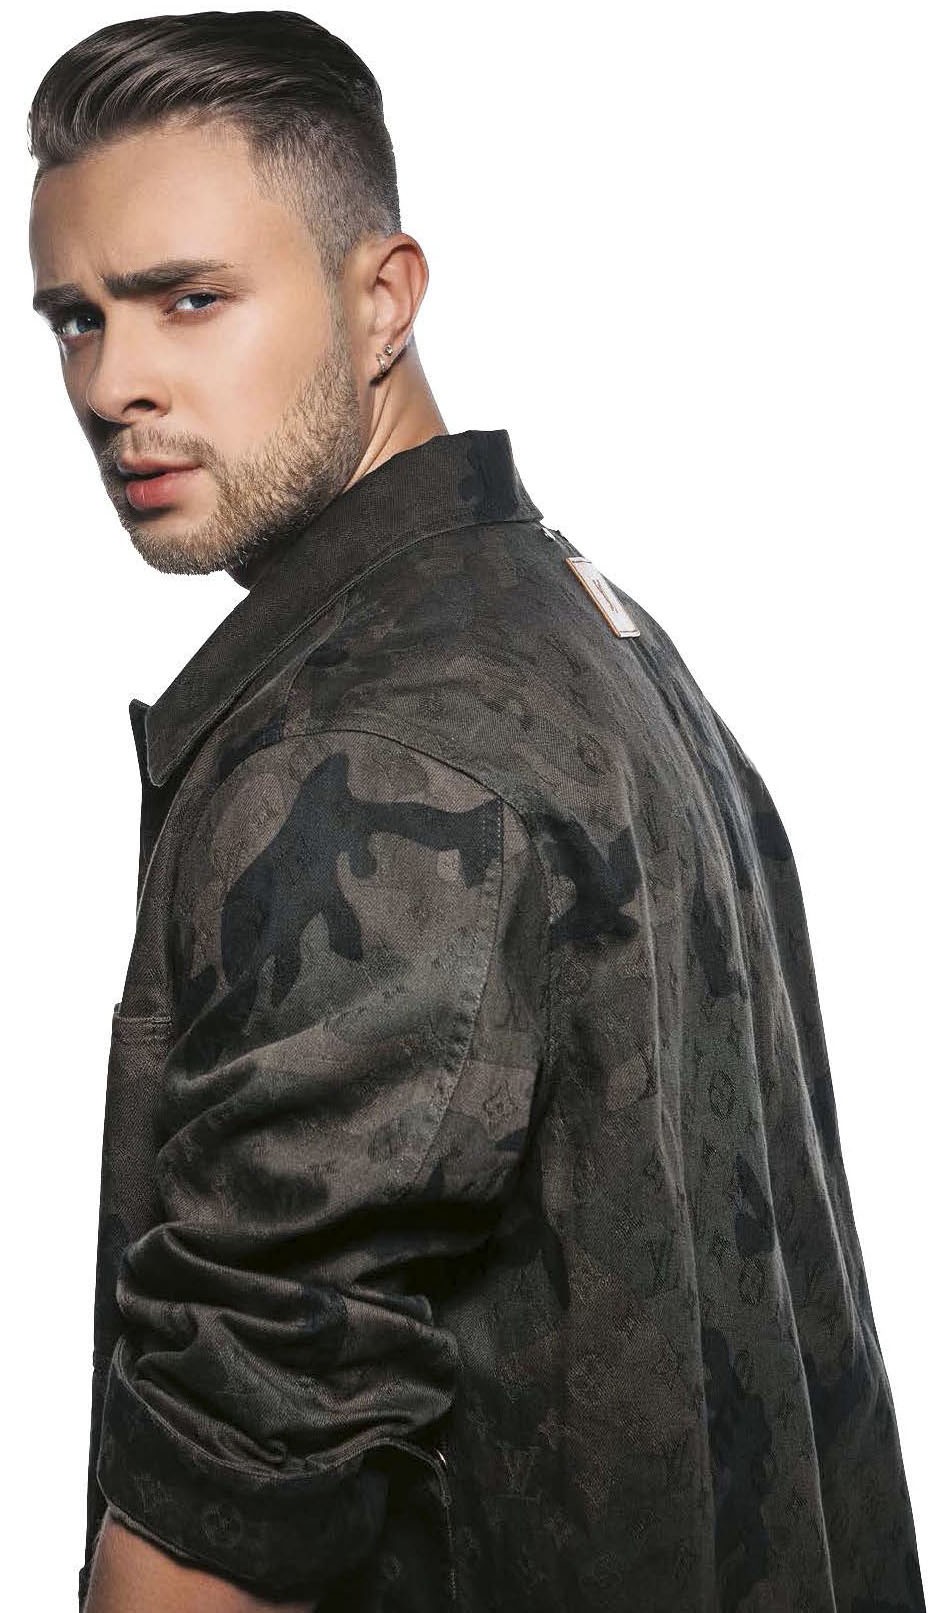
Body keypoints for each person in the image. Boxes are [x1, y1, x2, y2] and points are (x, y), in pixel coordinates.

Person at [28, 12, 924, 1613]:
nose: (115, 382)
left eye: (191, 299)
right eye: (76, 319)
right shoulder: (575, 623)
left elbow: (227, 1506)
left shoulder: (370, 749)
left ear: (382, 300)